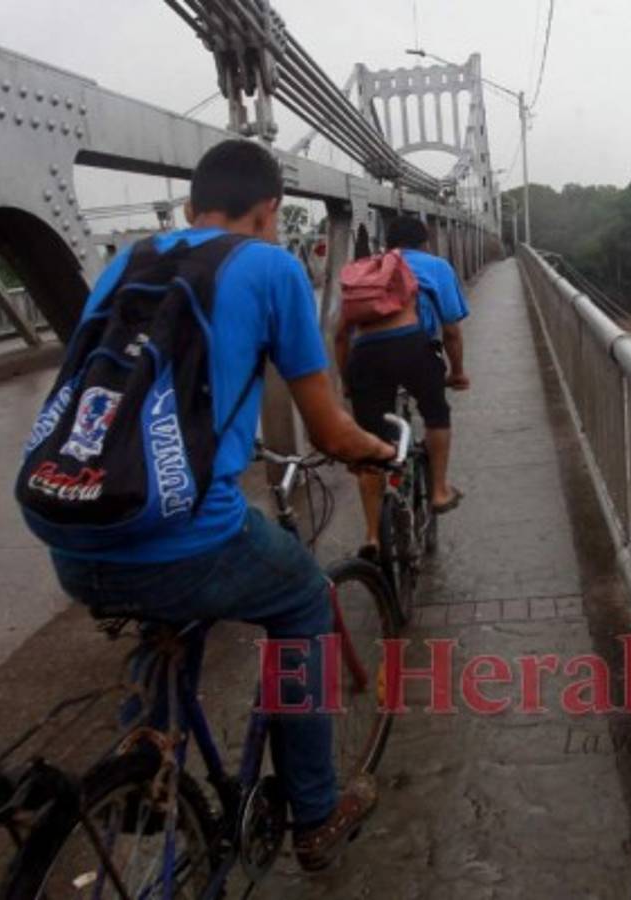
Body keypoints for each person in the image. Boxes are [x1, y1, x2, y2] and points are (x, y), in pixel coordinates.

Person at [47, 139, 395, 871]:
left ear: (187, 208)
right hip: (187, 539)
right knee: (299, 599)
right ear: (270, 211)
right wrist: (375, 451)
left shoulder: (127, 262)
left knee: (168, 604)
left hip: (72, 536)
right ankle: (315, 809)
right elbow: (328, 429)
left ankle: (143, 776)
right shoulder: (273, 266)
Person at [334, 214, 471, 558]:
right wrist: (458, 373)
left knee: (372, 445)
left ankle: (371, 536)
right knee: (437, 414)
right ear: (426, 241)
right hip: (412, 347)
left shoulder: (369, 268)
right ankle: (438, 490)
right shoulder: (436, 266)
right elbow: (451, 331)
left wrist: (349, 383)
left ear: (388, 244)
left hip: (364, 356)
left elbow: (339, 336)